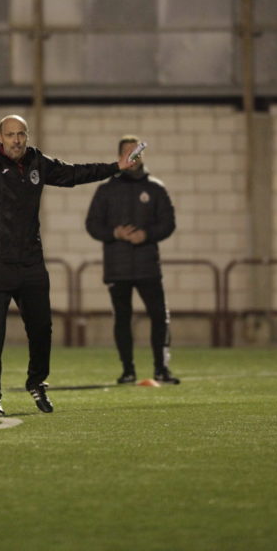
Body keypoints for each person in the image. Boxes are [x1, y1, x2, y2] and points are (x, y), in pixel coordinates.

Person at [0, 115, 137, 416]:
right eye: (11, 135)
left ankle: (37, 383)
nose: (17, 140)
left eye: (21, 134)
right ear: (0, 137)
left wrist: (116, 167)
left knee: (41, 329)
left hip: (31, 262)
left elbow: (74, 174)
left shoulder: (37, 161)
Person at [85, 135, 180, 385]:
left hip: (148, 266)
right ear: (120, 156)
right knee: (122, 318)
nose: (133, 155)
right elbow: (92, 225)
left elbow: (168, 223)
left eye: (137, 151)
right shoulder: (106, 190)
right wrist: (115, 233)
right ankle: (128, 371)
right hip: (118, 267)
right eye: (128, 151)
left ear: (143, 154)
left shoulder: (156, 188)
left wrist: (146, 235)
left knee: (159, 315)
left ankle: (162, 369)